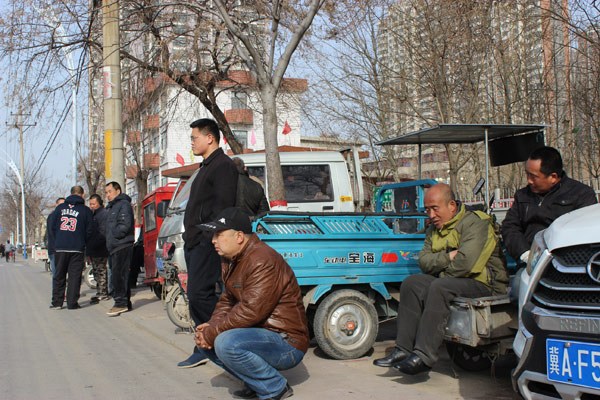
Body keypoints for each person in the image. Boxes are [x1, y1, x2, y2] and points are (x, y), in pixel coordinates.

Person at [373, 183, 508, 375]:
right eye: (427, 209)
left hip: (484, 283)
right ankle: (403, 349)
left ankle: (424, 356)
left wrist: (440, 267)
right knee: (412, 284)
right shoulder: (434, 228)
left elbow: (466, 265)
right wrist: (448, 257)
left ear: (451, 205)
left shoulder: (476, 223)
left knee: (439, 285)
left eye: (435, 209)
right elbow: (424, 262)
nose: (430, 215)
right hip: (452, 281)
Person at [195, 207, 309, 399]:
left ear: (239, 236)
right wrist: (210, 328)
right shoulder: (231, 259)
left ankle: (274, 388)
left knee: (224, 342)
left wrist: (213, 333)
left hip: (286, 342)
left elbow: (251, 311)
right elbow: (227, 300)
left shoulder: (262, 259)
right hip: (260, 333)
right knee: (204, 341)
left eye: (219, 234)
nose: (213, 240)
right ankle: (257, 384)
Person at [177, 118, 238, 368]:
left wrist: (207, 236)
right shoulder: (205, 167)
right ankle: (206, 343)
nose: (192, 142)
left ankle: (222, 339)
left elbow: (223, 209)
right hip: (194, 242)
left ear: (209, 137)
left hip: (207, 242)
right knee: (196, 295)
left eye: (194, 137)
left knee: (199, 294)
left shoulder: (223, 166)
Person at [501, 146, 597, 264]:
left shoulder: (581, 195)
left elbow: (586, 233)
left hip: (567, 262)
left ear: (553, 177)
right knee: (517, 281)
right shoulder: (522, 196)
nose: (529, 181)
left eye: (534, 176)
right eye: (527, 174)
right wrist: (525, 254)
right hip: (529, 263)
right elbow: (510, 227)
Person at [49, 186, 93, 310]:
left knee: (59, 275)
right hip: (77, 248)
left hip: (61, 247)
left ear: (71, 194)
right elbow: (90, 230)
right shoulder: (85, 210)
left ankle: (57, 302)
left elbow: (52, 227)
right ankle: (72, 303)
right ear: (82, 195)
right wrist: (83, 241)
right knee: (75, 276)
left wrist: (57, 240)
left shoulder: (59, 208)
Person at [104, 181, 135, 317]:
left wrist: (115, 235)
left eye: (109, 192)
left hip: (121, 245)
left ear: (118, 191)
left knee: (119, 276)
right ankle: (125, 303)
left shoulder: (123, 205)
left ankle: (120, 303)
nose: (107, 195)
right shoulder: (112, 207)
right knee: (119, 276)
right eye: (106, 193)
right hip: (115, 246)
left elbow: (125, 225)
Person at [87, 194, 110, 304]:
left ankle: (103, 293)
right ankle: (100, 291)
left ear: (99, 203)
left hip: (101, 248)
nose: (91, 206)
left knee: (101, 271)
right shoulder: (94, 214)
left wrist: (95, 244)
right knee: (96, 271)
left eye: (93, 204)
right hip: (94, 248)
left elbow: (103, 233)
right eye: (90, 204)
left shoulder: (103, 214)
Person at [46, 197, 66, 276]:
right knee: (56, 275)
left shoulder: (66, 217)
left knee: (62, 274)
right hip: (54, 250)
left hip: (63, 250)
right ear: (56, 205)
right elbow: (52, 233)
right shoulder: (52, 216)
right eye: (60, 204)